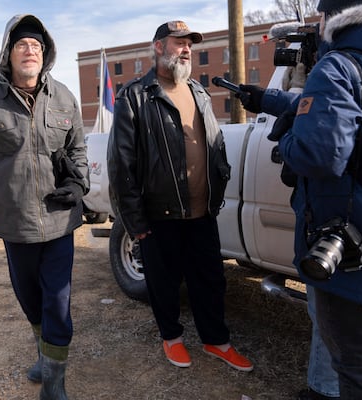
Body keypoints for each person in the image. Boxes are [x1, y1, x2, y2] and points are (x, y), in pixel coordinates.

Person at [237, 0, 362, 398]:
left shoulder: (339, 64)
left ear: (337, 16)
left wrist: (287, 136)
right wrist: (270, 100)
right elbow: (357, 113)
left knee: (357, 365)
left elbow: (319, 153)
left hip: (350, 251)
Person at [107, 20, 253, 372]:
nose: (186, 49)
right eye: (178, 42)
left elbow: (214, 146)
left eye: (190, 44)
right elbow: (121, 164)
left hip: (202, 212)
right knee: (164, 283)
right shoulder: (135, 96)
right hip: (160, 214)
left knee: (211, 281)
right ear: (158, 47)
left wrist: (220, 179)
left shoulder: (199, 93)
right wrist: (135, 220)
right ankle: (171, 338)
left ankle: (216, 341)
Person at [0, 14, 88, 400]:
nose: (30, 51)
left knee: (58, 302)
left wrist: (78, 183)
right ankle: (43, 354)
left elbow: (78, 150)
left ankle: (53, 384)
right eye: (22, 46)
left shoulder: (64, 97)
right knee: (31, 299)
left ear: (45, 54)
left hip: (59, 222)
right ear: (8, 54)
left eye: (36, 46)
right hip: (14, 224)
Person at [283, 63, 341, 400]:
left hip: (331, 224)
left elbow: (310, 152)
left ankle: (323, 390)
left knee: (328, 313)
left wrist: (288, 134)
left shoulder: (337, 71)